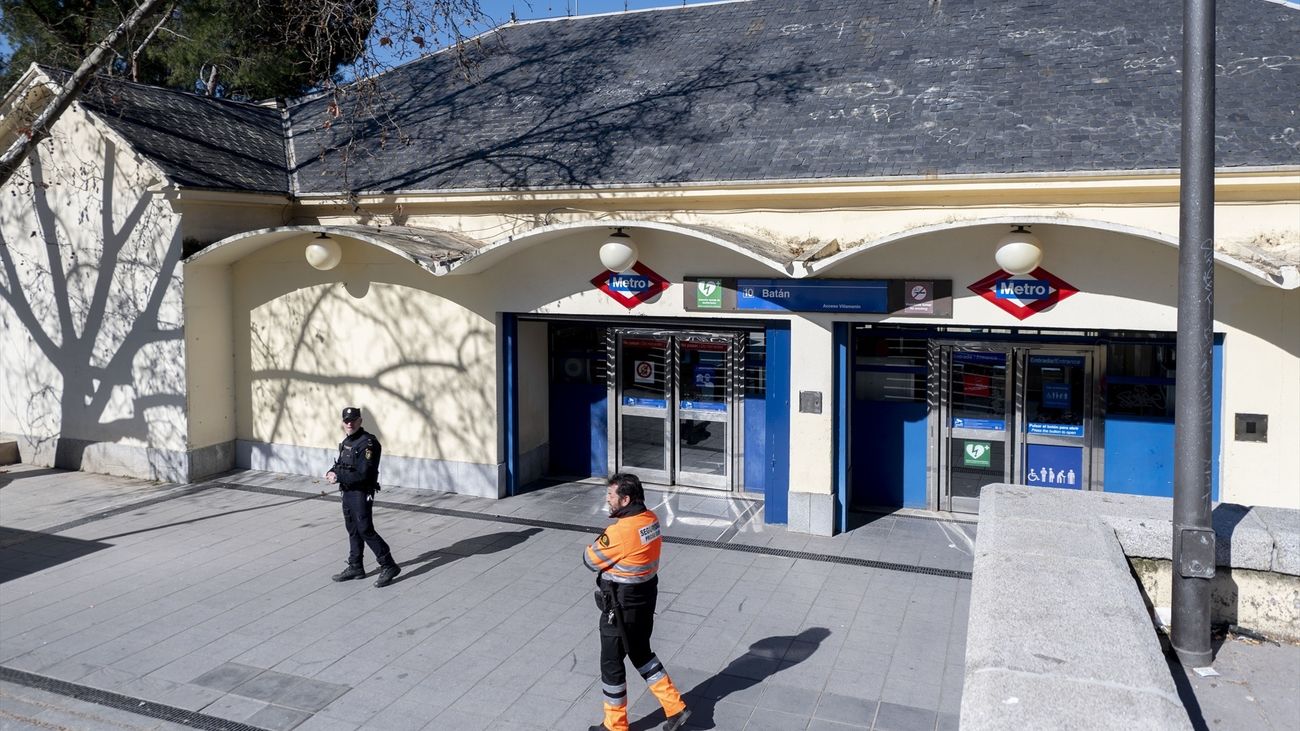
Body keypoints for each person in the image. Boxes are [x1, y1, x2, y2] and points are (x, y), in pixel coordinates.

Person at [584, 473, 690, 731]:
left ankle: (615, 725)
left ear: (625, 499)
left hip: (619, 607)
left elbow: (589, 559)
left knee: (611, 663)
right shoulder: (650, 519)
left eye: (611, 496)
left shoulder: (620, 531)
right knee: (641, 652)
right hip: (644, 600)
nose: (607, 500)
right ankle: (675, 707)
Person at [326, 406, 401, 588]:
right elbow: (343, 465)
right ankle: (355, 566)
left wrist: (338, 477)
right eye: (346, 421)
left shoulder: (368, 443)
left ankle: (388, 564)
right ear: (343, 423)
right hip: (348, 491)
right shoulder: (347, 441)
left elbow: (364, 474)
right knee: (352, 528)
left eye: (353, 420)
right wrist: (332, 471)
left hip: (361, 492)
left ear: (360, 421)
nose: (349, 423)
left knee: (365, 529)